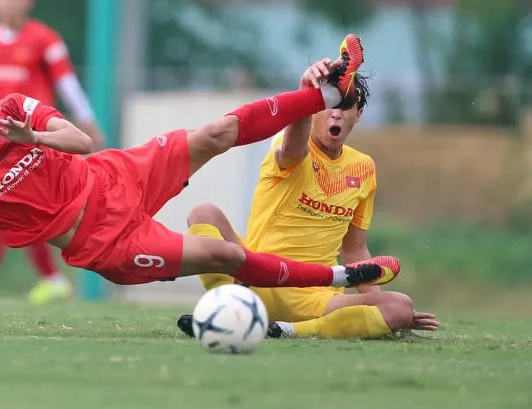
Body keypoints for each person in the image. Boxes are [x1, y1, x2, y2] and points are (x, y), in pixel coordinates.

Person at [0, 33, 403, 302]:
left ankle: (327, 92)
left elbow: (81, 141)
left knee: (214, 134)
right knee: (224, 254)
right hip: (108, 243)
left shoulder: (17, 108)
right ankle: (338, 278)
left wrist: (33, 137)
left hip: (118, 174)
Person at [175, 54, 440, 340]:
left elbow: (354, 251)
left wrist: (378, 309)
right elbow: (292, 151)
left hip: (316, 299)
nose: (335, 114)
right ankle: (229, 306)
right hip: (257, 280)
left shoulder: (364, 168)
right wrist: (305, 93)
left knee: (400, 307)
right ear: (313, 110)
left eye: (345, 106)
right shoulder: (290, 143)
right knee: (203, 214)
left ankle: (282, 331)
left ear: (359, 114)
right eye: (327, 105)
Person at [0, 0, 104, 304]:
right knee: (14, 206)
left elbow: (67, 82)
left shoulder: (45, 39)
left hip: (35, 136)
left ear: (28, 0)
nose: (9, 2)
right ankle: (51, 279)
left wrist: (86, 121)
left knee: (4, 201)